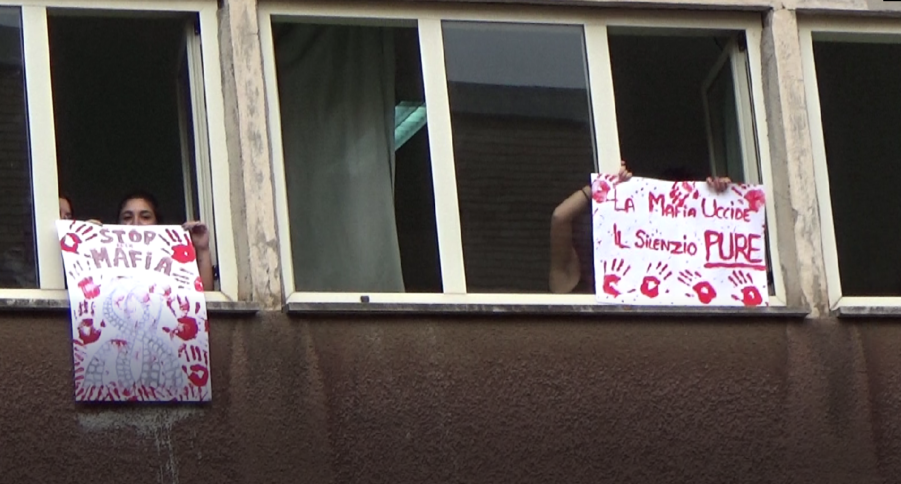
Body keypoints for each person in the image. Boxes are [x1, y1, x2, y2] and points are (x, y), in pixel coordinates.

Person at [548, 162, 730, 294]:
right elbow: (560, 217)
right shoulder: (578, 274)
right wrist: (602, 184)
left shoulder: (696, 271)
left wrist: (722, 200)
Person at [110, 191, 215, 291]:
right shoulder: (107, 257)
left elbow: (205, 295)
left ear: (157, 222)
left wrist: (202, 249)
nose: (135, 223)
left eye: (145, 217)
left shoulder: (173, 256)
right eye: (127, 217)